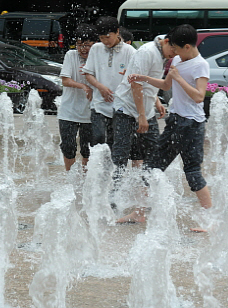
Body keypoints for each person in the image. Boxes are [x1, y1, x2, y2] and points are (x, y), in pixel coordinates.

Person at [124, 24, 212, 230]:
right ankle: (139, 213)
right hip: (175, 122)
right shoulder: (179, 60)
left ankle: (210, 221)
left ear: (188, 46)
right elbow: (165, 85)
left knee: (192, 171)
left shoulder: (201, 65)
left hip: (192, 125)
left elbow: (199, 96)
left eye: (176, 48)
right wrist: (144, 78)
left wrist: (179, 78)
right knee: (151, 167)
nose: (173, 52)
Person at [111, 34, 175, 209]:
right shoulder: (147, 52)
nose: (174, 55)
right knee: (121, 155)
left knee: (154, 153)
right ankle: (113, 198)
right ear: (166, 42)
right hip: (126, 108)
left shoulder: (162, 52)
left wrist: (156, 101)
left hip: (145, 110)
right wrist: (141, 116)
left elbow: (148, 81)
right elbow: (136, 83)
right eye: (173, 50)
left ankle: (146, 197)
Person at [82, 16, 136, 153]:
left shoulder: (130, 51)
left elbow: (136, 79)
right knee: (98, 138)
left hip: (120, 106)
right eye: (101, 38)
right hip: (99, 103)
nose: (105, 41)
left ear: (117, 32)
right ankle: (96, 171)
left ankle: (110, 172)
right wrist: (100, 87)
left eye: (108, 37)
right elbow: (88, 73)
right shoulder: (96, 49)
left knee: (115, 142)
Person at [57, 24, 98, 171]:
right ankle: (71, 176)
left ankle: (86, 176)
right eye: (79, 45)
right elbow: (65, 80)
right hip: (69, 111)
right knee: (68, 146)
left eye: (87, 45)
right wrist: (84, 86)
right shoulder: (71, 55)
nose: (83, 49)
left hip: (91, 112)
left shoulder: (100, 58)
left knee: (88, 148)